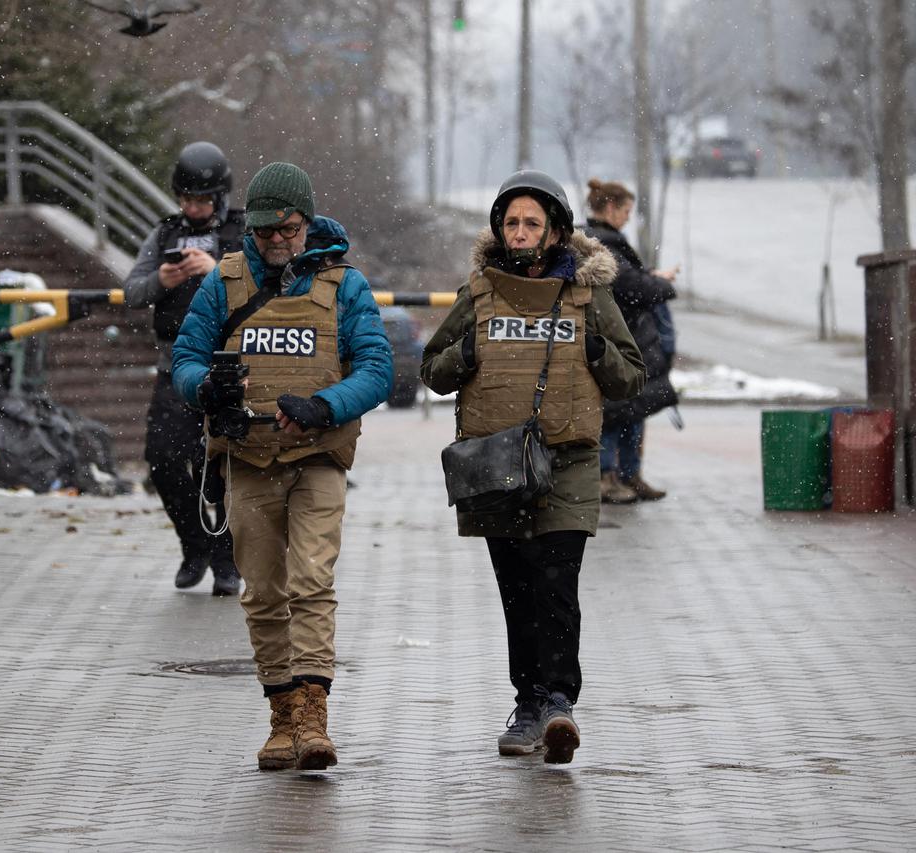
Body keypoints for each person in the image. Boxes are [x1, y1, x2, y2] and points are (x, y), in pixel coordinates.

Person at [171, 162, 392, 771]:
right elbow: (187, 357)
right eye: (266, 232)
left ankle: (314, 715)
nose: (276, 242)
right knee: (262, 592)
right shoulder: (226, 281)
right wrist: (205, 391)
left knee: (311, 582)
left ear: (307, 221)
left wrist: (324, 405)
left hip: (316, 454)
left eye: (288, 231)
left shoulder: (344, 285)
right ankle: (280, 714)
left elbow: (377, 368)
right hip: (248, 458)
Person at [420, 171, 644, 764]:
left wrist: (592, 349)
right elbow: (433, 371)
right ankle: (527, 705)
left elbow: (630, 374)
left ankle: (558, 702)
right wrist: (466, 352)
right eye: (512, 223)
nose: (520, 234)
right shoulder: (480, 292)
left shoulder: (589, 295)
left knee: (556, 582)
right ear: (500, 229)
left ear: (555, 232)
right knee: (517, 588)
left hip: (567, 462)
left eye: (532, 224)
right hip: (497, 466)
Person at [124, 142, 246, 595]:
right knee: (163, 459)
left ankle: (227, 557)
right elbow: (132, 291)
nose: (193, 209)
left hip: (229, 365)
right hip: (174, 363)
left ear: (221, 197)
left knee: (229, 465)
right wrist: (162, 280)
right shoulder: (164, 234)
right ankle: (193, 545)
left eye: (202, 201)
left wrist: (217, 270)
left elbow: (264, 288)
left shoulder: (244, 231)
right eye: (186, 200)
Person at [582, 179, 679, 504]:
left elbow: (628, 280)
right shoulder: (602, 243)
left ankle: (628, 475)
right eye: (625, 210)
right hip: (620, 341)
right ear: (610, 208)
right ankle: (609, 477)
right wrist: (660, 284)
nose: (627, 217)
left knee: (633, 409)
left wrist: (650, 278)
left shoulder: (604, 240)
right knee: (617, 411)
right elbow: (629, 285)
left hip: (630, 341)